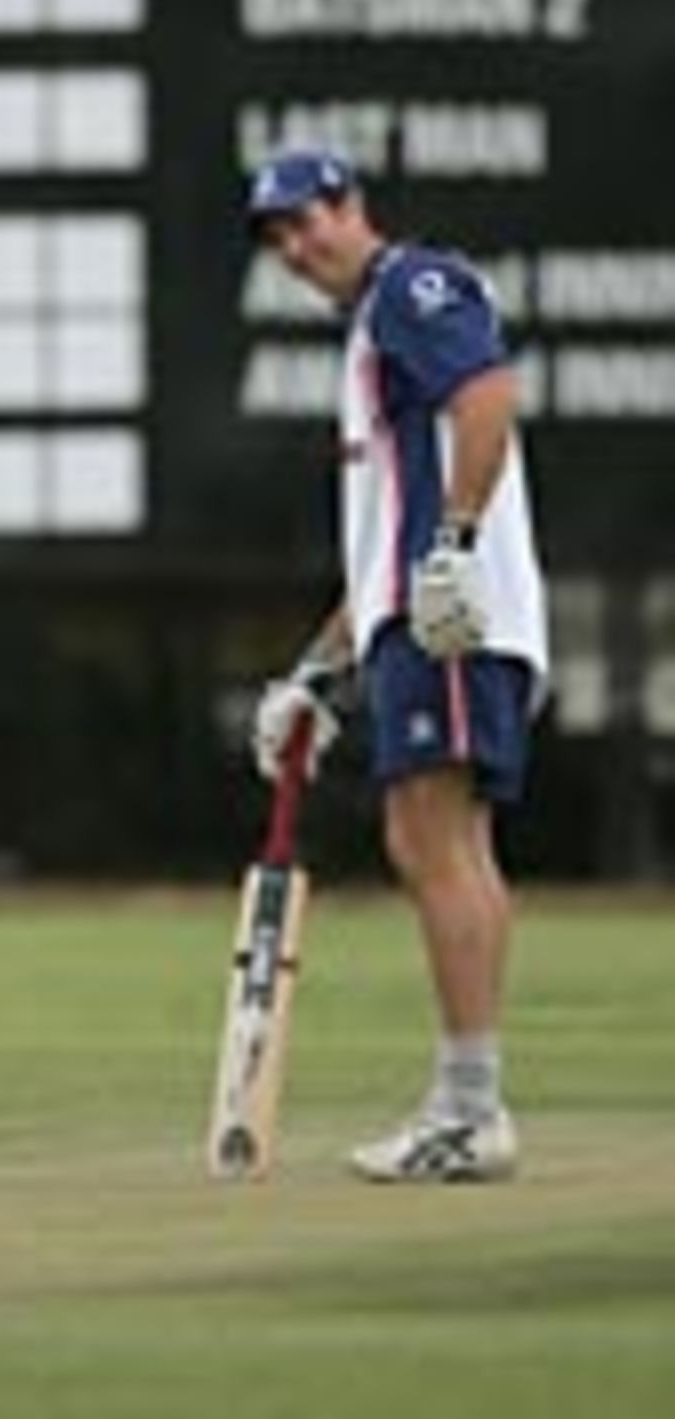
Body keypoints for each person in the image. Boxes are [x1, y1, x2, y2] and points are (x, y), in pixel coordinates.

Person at [246, 148, 548, 1183]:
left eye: (305, 220)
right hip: (418, 612)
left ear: (350, 205)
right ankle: (471, 1099)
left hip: (445, 616)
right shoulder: (368, 331)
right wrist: (312, 671)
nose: (295, 247)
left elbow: (489, 393)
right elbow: (379, 539)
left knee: (429, 838)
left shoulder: (410, 287)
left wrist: (453, 542)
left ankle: (468, 1109)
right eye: (277, 236)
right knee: (444, 838)